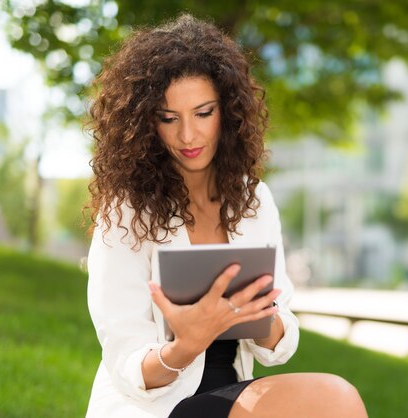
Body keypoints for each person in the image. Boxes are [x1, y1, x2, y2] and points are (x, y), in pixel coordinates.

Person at [85, 13, 368, 418]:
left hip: (233, 391)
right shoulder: (126, 212)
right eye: (169, 118)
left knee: (337, 398)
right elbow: (126, 365)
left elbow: (279, 346)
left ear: (228, 112)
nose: (188, 135)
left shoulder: (254, 200)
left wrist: (260, 315)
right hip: (157, 407)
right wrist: (186, 343)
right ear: (147, 123)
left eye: (203, 113)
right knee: (333, 400)